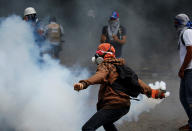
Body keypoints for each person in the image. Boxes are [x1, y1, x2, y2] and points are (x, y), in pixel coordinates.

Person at [74, 43, 166, 131]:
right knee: (107, 124)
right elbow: (139, 83)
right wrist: (154, 93)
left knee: (87, 128)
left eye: (98, 52)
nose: (96, 55)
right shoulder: (121, 68)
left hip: (113, 105)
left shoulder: (106, 65)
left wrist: (84, 83)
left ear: (103, 55)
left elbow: (100, 76)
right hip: (123, 106)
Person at [175, 13, 192, 131]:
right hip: (188, 69)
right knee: (183, 97)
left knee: (189, 98)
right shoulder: (186, 32)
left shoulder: (187, 32)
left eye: (176, 22)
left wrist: (182, 68)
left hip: (190, 70)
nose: (175, 25)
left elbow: (190, 50)